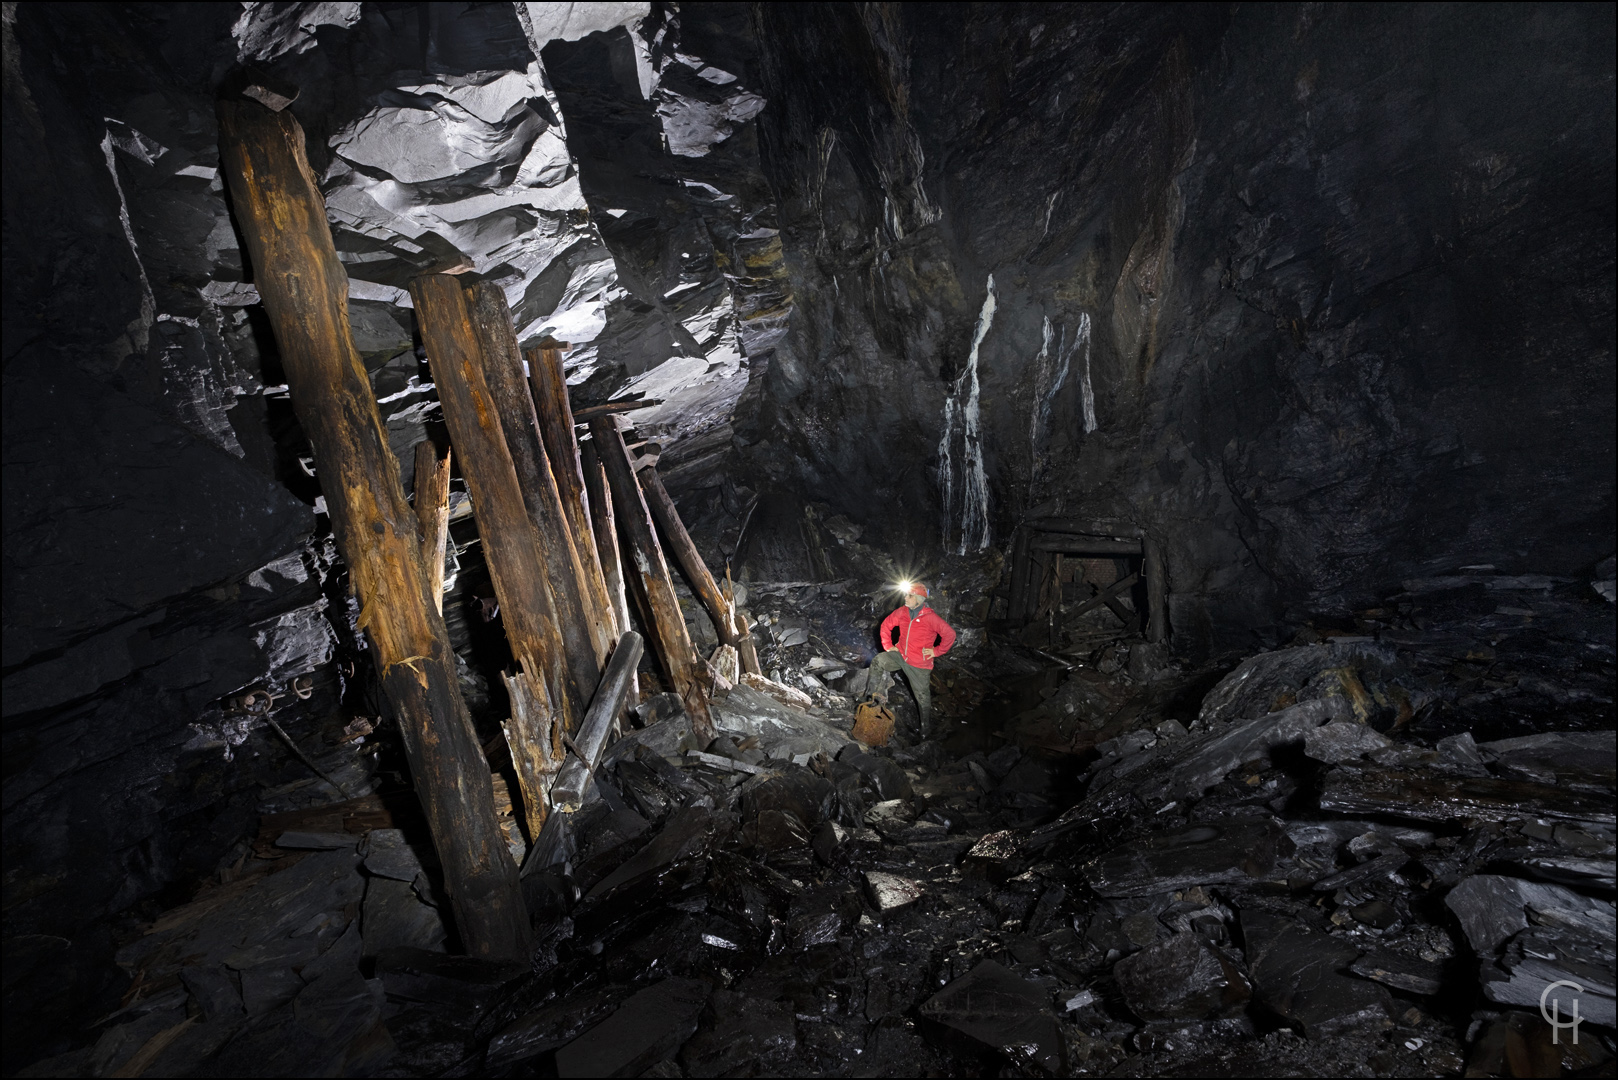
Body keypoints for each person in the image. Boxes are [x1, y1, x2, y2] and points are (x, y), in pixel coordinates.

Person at [863, 582, 955, 737]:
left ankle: (925, 729)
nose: (905, 598)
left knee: (922, 697)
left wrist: (936, 651)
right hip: (900, 655)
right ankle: (868, 698)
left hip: (919, 663)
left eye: (909, 596)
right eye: (906, 595)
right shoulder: (902, 612)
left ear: (918, 599)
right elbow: (886, 625)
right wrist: (888, 646)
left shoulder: (930, 618)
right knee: (878, 661)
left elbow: (950, 634)